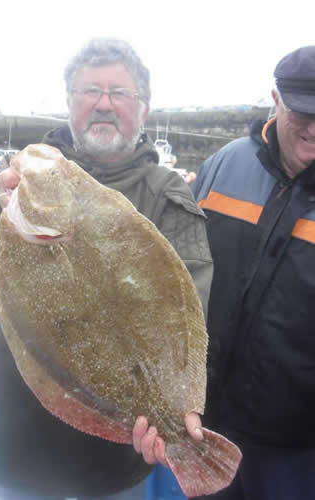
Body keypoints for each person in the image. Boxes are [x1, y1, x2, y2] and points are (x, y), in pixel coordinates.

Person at [0, 38, 212, 500]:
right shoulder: (27, 174)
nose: (104, 104)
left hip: (112, 459)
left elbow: (191, 306)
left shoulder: (167, 192)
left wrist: (178, 408)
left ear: (143, 110)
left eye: (120, 93)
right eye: (90, 91)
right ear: (70, 103)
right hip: (21, 438)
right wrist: (2, 207)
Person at [135, 45, 315, 499]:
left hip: (300, 447)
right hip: (205, 427)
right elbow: (172, 279)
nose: (314, 127)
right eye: (303, 112)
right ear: (275, 99)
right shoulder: (224, 165)